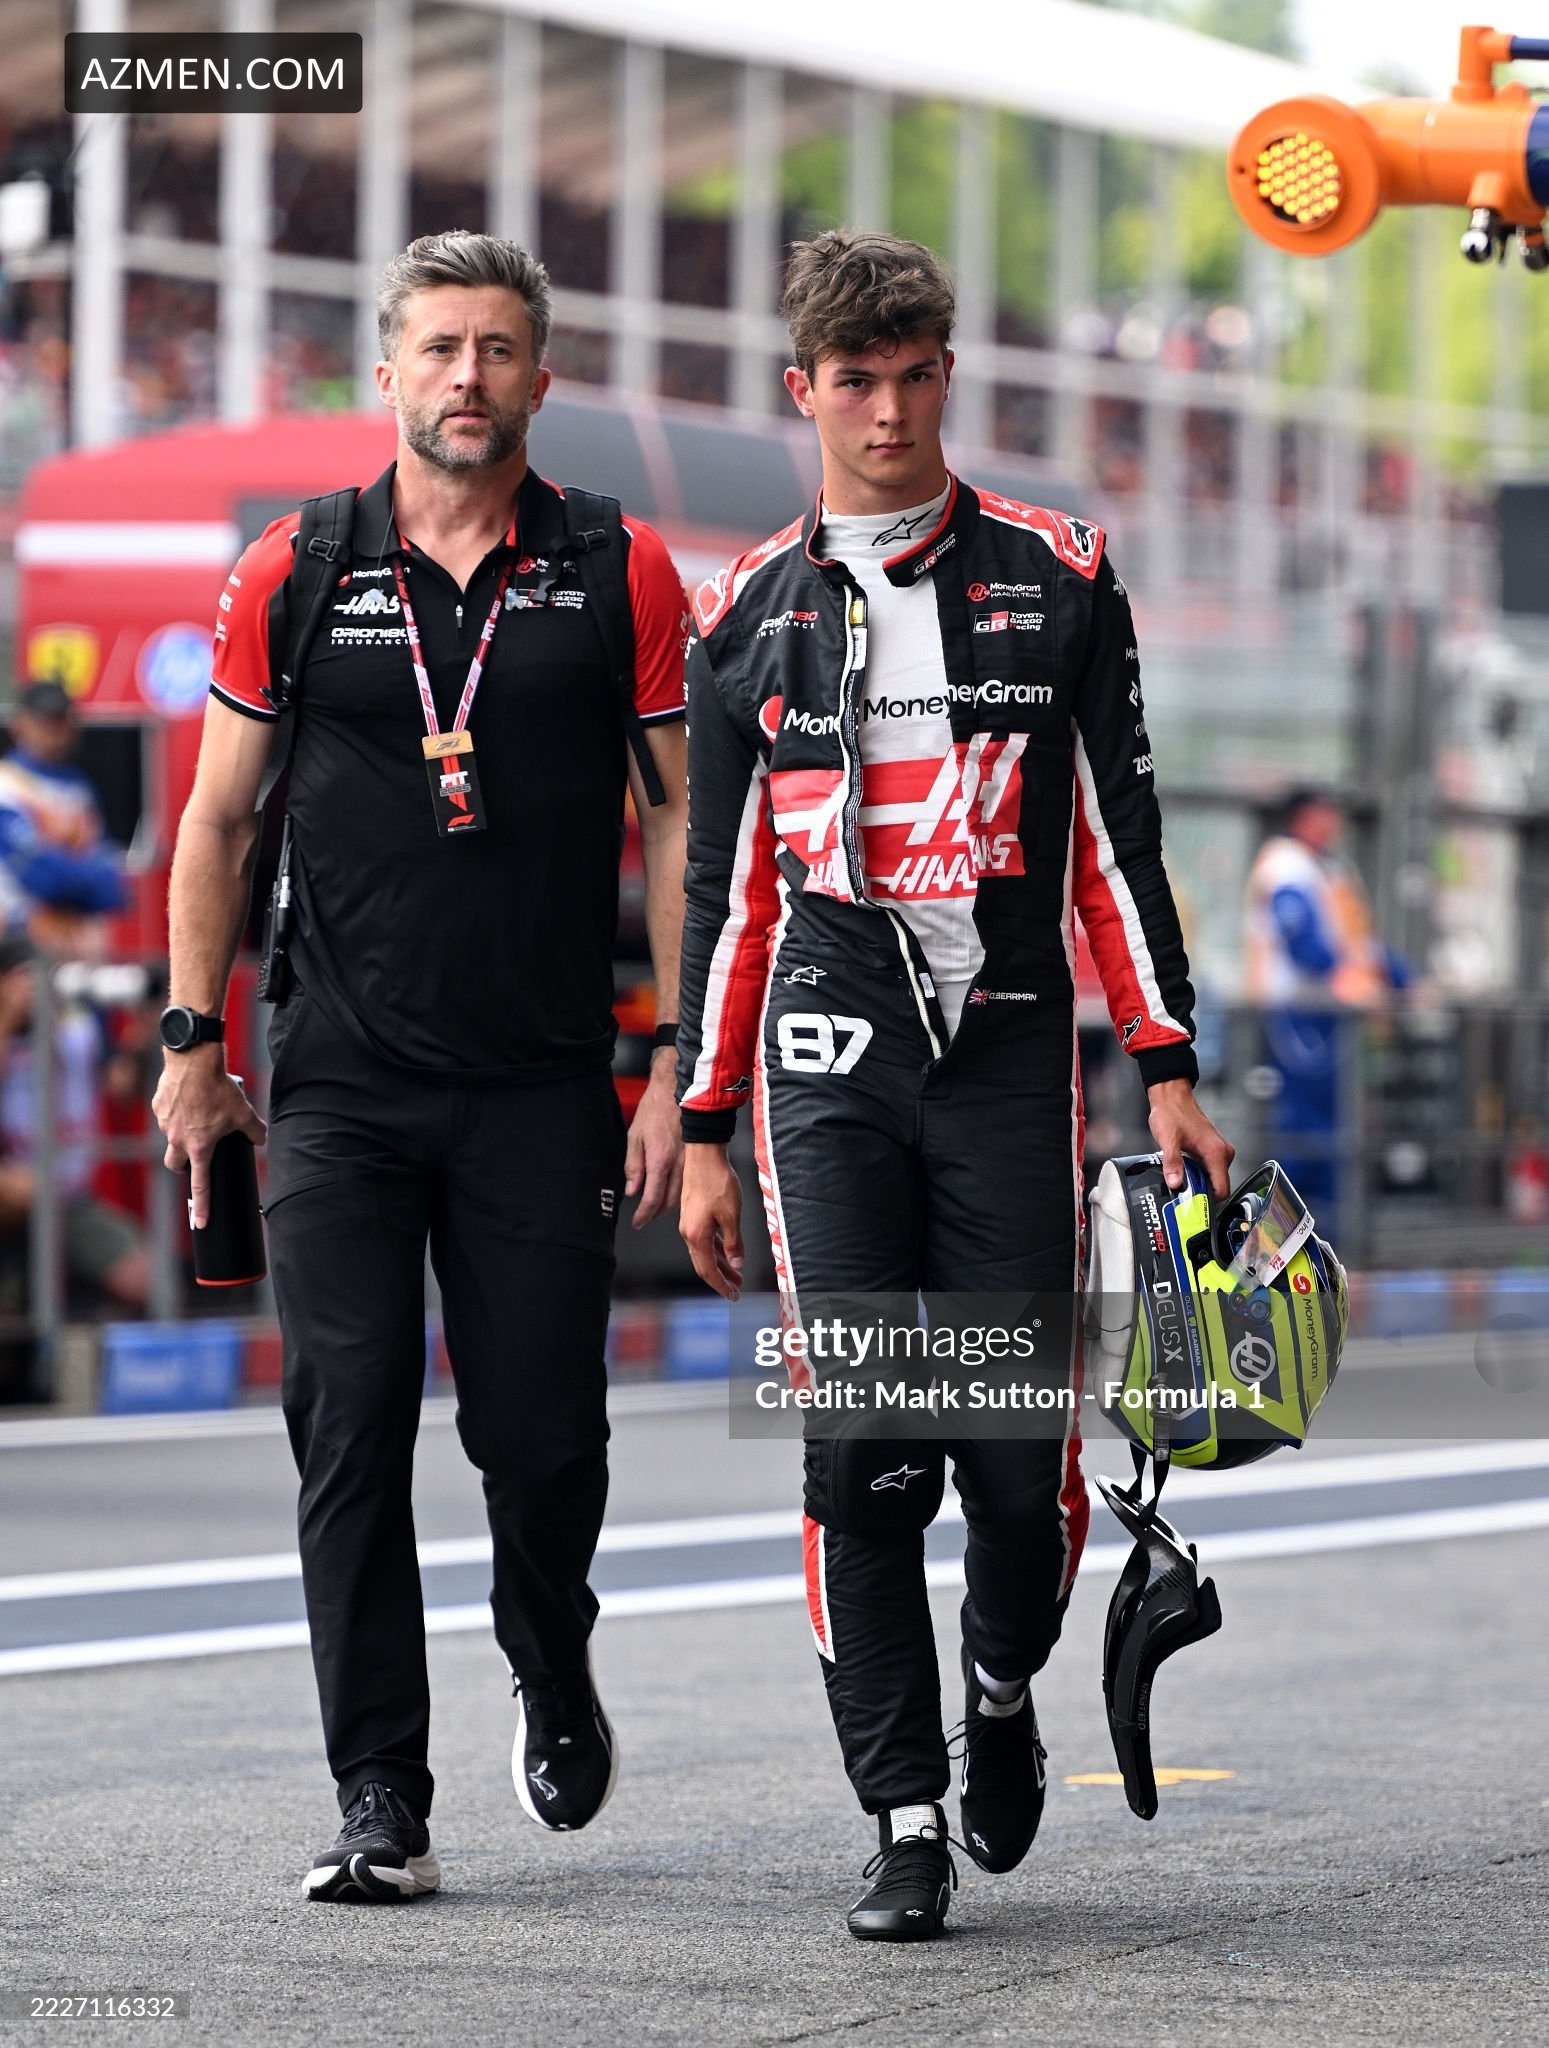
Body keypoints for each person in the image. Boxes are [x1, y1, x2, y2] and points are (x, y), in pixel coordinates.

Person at [676, 229, 1232, 1940]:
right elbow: (726, 896)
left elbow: (1114, 844)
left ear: (946, 378)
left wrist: (1165, 1061)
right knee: (860, 1448)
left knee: (1009, 1466)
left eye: (916, 377)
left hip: (1002, 1055)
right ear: (804, 390)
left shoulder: (1057, 573)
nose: (890, 413)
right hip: (825, 1058)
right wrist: (700, 1118)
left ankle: (1001, 1688)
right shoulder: (742, 612)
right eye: (856, 381)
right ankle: (900, 1813)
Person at [152, 231, 690, 1903]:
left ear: (541, 375)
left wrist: (680, 1063)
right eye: (440, 348)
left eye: (497, 348)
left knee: (543, 1437)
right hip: (338, 1083)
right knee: (349, 1421)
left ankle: (547, 1646)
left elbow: (678, 822)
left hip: (542, 1081)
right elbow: (215, 822)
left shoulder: (615, 566)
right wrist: (191, 1041)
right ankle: (379, 1789)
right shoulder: (297, 564)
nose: (468, 376)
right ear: (386, 372)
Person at [1243, 788, 1408, 1233]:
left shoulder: (1327, 867)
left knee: (1335, 1120)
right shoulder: (1285, 864)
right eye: (1324, 815)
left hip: (1328, 1014)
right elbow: (1303, 941)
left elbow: (1356, 942)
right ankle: (1289, 1230)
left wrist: (1402, 978)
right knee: (1304, 1124)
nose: (1333, 824)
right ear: (1303, 818)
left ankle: (1327, 1229)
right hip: (1298, 1011)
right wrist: (1345, 980)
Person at [0, 681, 127, 953]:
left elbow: (114, 885)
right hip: (19, 947)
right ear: (19, 725)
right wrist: (89, 878)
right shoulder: (6, 786)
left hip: (78, 947)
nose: (56, 729)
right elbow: (42, 877)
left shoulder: (78, 786)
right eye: (46, 720)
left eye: (62, 719)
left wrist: (87, 878)